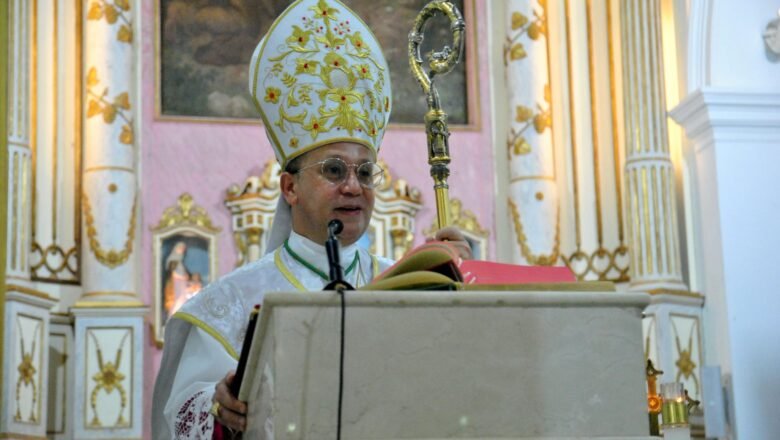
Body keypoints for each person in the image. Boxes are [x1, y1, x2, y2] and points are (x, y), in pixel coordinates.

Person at [151, 0, 471, 438]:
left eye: (364, 172)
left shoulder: (407, 285)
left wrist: (463, 290)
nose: (354, 187)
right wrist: (218, 406)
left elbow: (459, 390)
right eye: (334, 171)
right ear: (290, 188)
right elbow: (183, 416)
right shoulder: (230, 303)